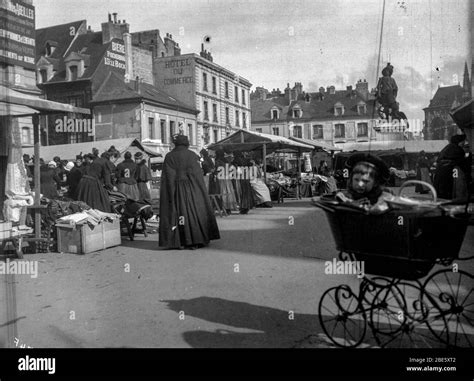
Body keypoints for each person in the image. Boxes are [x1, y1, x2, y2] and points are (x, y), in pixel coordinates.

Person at [159, 135, 220, 249]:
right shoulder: (192, 155)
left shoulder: (169, 156)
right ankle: (195, 239)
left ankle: (179, 241)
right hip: (191, 188)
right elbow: (197, 174)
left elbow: (167, 176)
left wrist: (170, 191)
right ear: (186, 143)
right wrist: (199, 189)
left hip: (175, 188)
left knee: (178, 213)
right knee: (193, 211)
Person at [433, 134, 470, 201]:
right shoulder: (458, 149)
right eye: (463, 142)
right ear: (459, 142)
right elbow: (463, 163)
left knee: (443, 193)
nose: (463, 144)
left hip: (441, 172)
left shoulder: (446, 148)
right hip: (451, 173)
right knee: (452, 192)